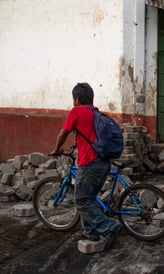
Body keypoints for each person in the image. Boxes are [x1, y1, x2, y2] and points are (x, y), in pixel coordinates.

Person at [50, 83, 122, 252]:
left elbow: (63, 133)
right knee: (88, 198)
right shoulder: (95, 112)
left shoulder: (77, 111)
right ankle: (91, 233)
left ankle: (109, 226)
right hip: (104, 162)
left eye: (73, 98)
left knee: (81, 200)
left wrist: (56, 149)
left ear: (76, 99)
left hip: (89, 163)